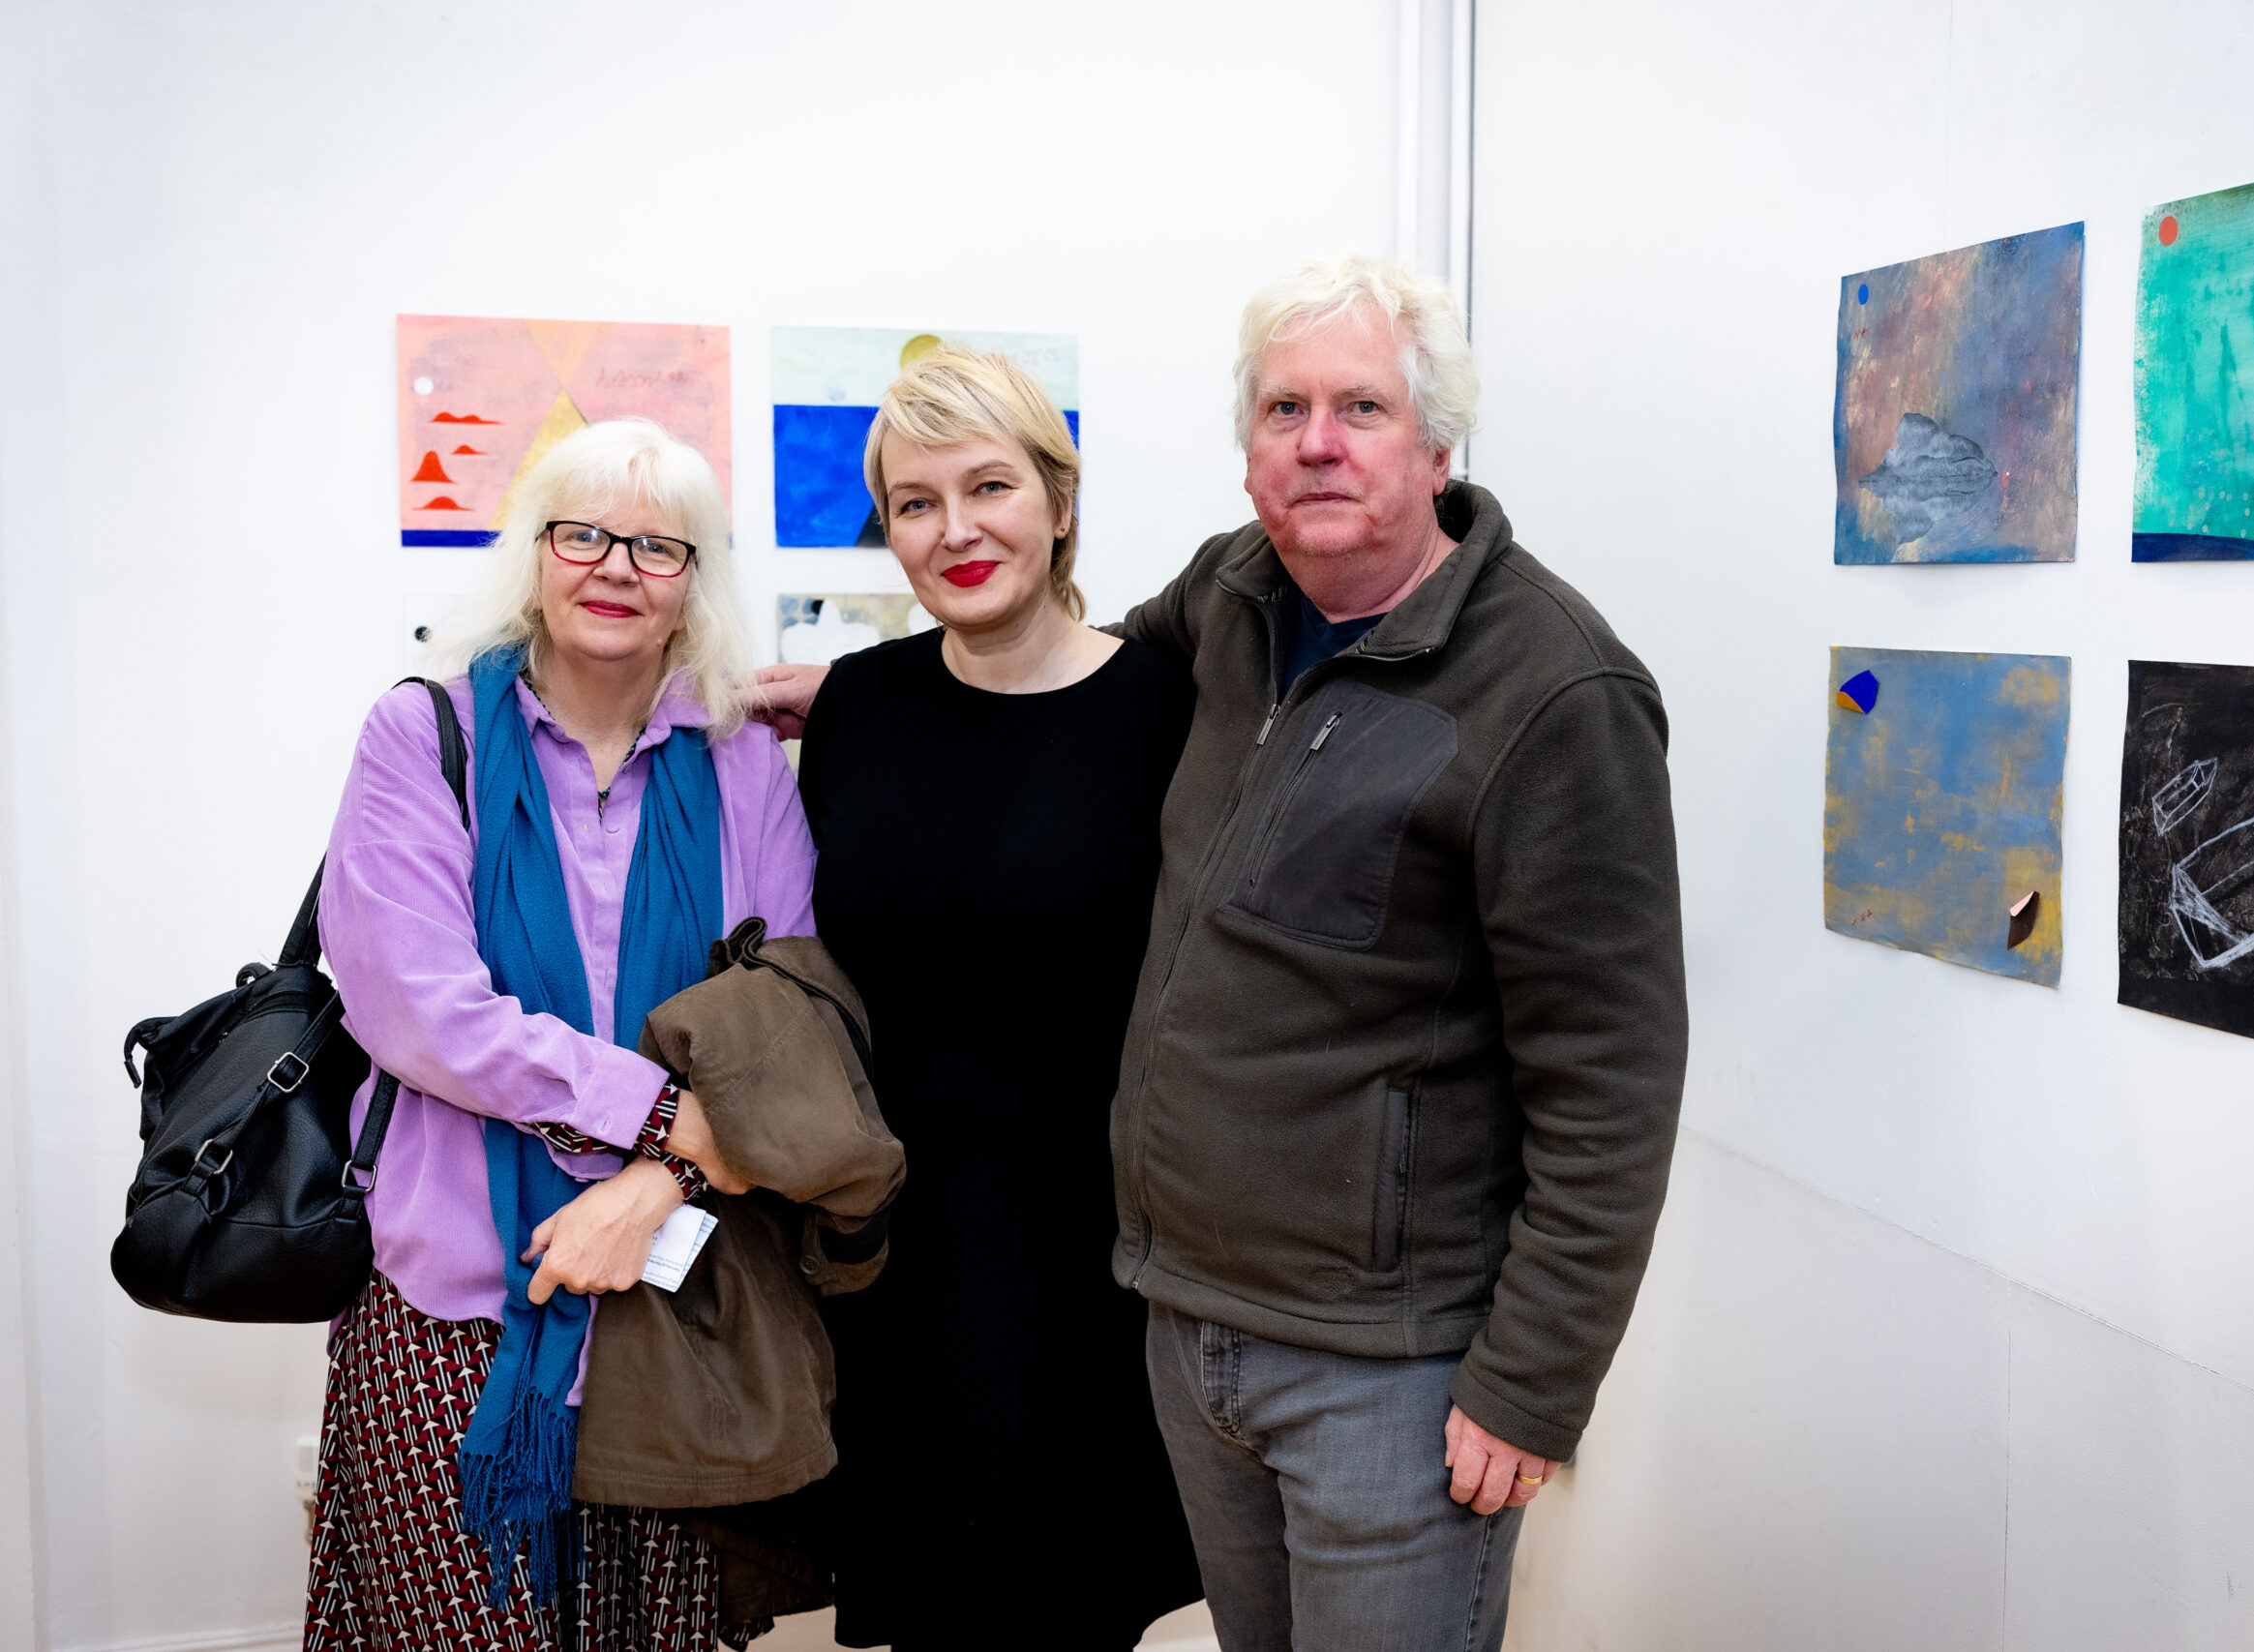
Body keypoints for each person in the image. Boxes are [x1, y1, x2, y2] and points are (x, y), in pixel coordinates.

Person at [1108, 254, 1688, 1651]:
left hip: (1392, 1373)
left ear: (1436, 446)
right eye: (1284, 408)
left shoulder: (1556, 689)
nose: (1318, 441)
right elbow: (1078, 686)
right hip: (1190, 1321)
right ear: (1248, 448)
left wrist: (1532, 1383)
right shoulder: (1230, 591)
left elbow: (1610, 1080)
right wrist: (868, 696)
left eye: (1360, 406)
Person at [304, 417, 813, 1651]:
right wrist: (663, 1112)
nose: (616, 567)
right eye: (582, 534)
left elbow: (786, 1017)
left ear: (693, 581)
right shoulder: (422, 736)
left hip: (674, 1298)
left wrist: (658, 1180)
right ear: (533, 556)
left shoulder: (744, 764)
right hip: (450, 1305)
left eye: (657, 546)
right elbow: (420, 1008)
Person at [749, 348, 1202, 1649]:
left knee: (1060, 1606)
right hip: (887, 1251)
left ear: (1059, 501)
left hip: (1087, 1257)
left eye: (989, 486)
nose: (954, 529)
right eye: (915, 502)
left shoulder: (1166, 710)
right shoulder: (862, 705)